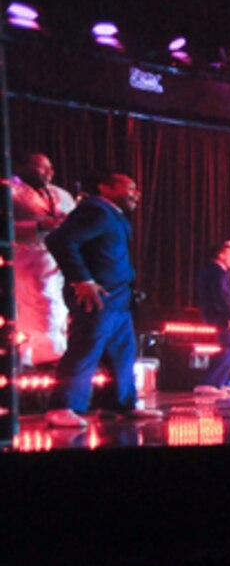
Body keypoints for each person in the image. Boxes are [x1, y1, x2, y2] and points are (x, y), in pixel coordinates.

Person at [42, 168, 160, 427]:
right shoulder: (95, 210)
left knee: (122, 351)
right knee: (86, 347)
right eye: (129, 187)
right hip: (98, 294)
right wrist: (81, 279)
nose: (136, 194)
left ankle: (120, 404)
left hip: (117, 295)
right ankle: (62, 406)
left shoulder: (113, 215)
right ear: (105, 188)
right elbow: (60, 240)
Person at [6, 152, 76, 365]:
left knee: (57, 307)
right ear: (21, 167)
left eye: (51, 168)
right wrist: (38, 226)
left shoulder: (60, 194)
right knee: (36, 306)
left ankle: (54, 354)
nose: (49, 172)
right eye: (41, 167)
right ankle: (33, 357)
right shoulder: (8, 190)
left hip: (56, 260)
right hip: (23, 257)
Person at [193, 236, 230, 396]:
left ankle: (220, 382)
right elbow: (222, 296)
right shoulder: (217, 272)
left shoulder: (212, 271)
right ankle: (210, 382)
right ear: (221, 254)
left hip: (217, 313)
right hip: (220, 315)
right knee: (228, 347)